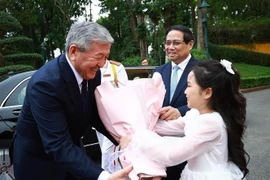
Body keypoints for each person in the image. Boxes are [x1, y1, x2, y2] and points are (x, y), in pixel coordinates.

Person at [9, 21, 132, 180]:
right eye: (99, 57)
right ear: (74, 51)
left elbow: (95, 113)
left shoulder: (92, 73)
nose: (102, 65)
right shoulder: (46, 84)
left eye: (106, 57)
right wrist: (103, 177)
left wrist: (121, 137)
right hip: (39, 163)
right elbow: (57, 145)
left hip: (72, 153)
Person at [120, 60, 250, 180]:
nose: (185, 92)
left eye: (189, 86)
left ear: (207, 93)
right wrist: (144, 117)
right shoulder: (195, 114)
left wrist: (136, 139)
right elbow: (165, 127)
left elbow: (171, 155)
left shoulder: (211, 123)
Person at [154, 25, 199, 179]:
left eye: (176, 43)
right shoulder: (159, 71)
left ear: (190, 44)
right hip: (162, 146)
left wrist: (179, 111)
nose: (170, 47)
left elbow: (211, 102)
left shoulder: (202, 70)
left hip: (191, 144)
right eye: (167, 43)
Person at [96, 59, 128, 173]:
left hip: (114, 119)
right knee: (106, 152)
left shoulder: (116, 68)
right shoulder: (92, 67)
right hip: (98, 118)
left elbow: (125, 92)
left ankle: (108, 176)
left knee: (107, 152)